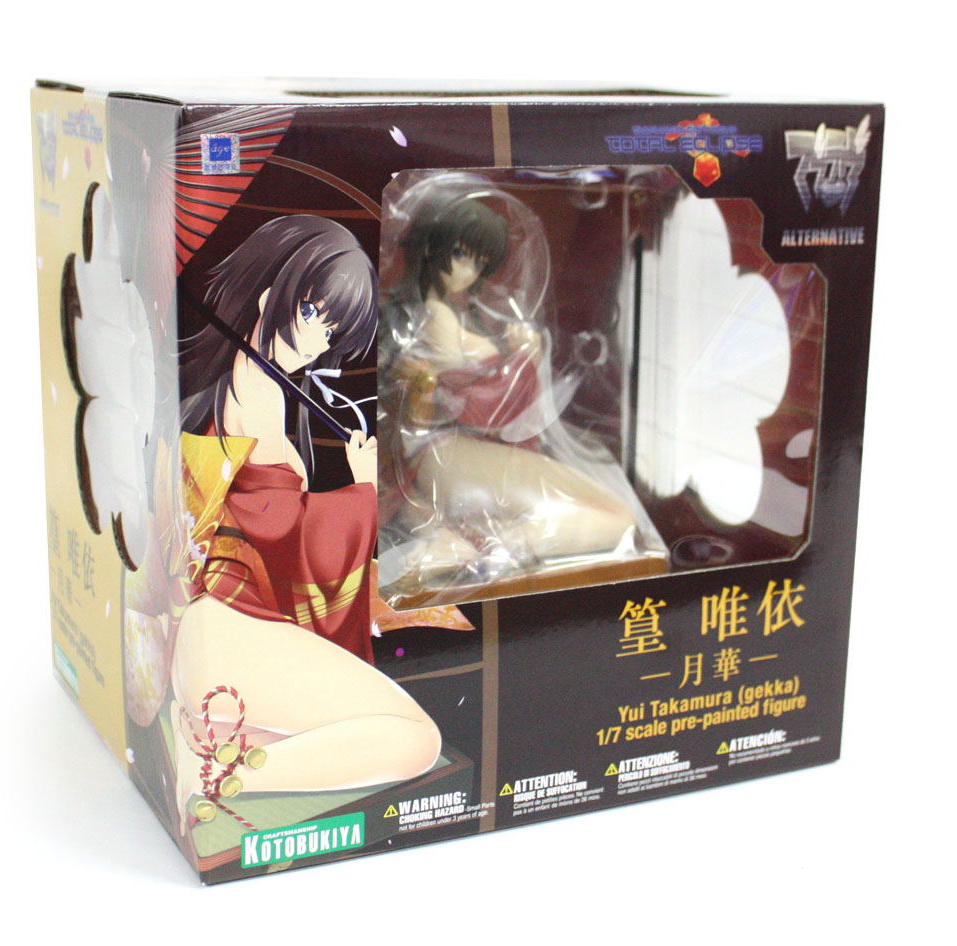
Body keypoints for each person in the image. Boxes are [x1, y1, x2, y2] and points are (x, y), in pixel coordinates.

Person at [172, 215, 440, 830]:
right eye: (315, 313)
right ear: (273, 290)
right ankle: (207, 775)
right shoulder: (257, 394)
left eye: (334, 330)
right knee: (415, 738)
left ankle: (217, 754)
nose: (320, 342)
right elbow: (283, 537)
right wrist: (362, 489)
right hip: (231, 630)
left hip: (218, 637)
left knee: (343, 737)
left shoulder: (245, 384)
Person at [380, 182, 643, 599]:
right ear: (431, 247)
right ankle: (490, 550)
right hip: (441, 452)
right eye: (460, 254)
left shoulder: (469, 317)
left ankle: (473, 547)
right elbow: (462, 378)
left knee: (615, 514)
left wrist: (523, 350)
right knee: (614, 515)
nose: (467, 272)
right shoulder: (424, 316)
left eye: (479, 262)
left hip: (474, 451)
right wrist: (516, 351)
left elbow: (511, 398)